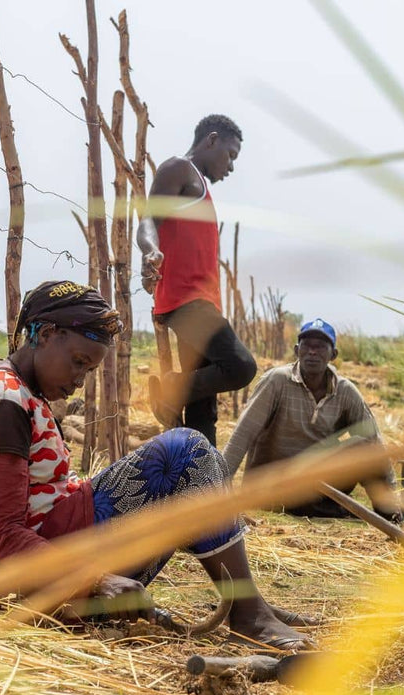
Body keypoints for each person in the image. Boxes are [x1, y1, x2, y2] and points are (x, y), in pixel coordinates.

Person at [0, 280, 310, 651]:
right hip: (21, 585)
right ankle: (249, 615)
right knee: (187, 451)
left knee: (201, 464)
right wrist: (98, 580)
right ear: (48, 334)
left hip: (50, 554)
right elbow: (3, 533)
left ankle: (248, 602)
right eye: (79, 363)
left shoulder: (11, 387)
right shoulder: (2, 401)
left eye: (88, 371)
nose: (79, 381)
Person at [137, 114, 256, 446]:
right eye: (230, 156)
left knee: (203, 412)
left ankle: (201, 486)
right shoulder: (179, 169)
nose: (230, 167)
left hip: (200, 304)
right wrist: (150, 251)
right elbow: (148, 221)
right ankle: (173, 387)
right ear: (212, 140)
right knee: (240, 366)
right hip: (185, 301)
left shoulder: (201, 189)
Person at [223, 318, 404, 521]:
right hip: (270, 486)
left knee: (364, 443)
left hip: (316, 484)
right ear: (297, 350)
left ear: (333, 355)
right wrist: (217, 492)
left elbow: (374, 445)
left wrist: (393, 501)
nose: (312, 352)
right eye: (307, 346)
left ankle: (390, 517)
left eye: (320, 347)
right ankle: (324, 508)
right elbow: (242, 434)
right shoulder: (277, 382)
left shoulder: (345, 392)